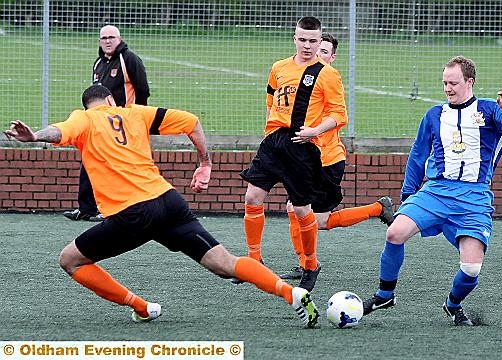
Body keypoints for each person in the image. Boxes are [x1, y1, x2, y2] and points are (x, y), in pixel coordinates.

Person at [4, 84, 320, 328]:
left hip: (133, 214)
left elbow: (59, 131)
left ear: (89, 106)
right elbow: (192, 122)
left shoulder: (83, 118)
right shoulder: (136, 113)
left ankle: (140, 307)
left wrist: (34, 136)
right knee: (224, 263)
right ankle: (291, 293)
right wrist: (205, 163)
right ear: (113, 101)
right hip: (169, 202)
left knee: (70, 260)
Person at [360, 56, 502, 326]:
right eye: (444, 83)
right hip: (436, 191)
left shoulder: (490, 110)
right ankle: (385, 294)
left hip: (474, 197)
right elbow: (418, 156)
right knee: (395, 233)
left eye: (453, 83)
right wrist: (408, 195)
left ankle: (453, 304)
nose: (448, 88)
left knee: (471, 268)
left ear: (469, 82)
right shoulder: (434, 115)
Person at [235, 17, 348, 292]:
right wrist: (268, 133)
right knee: (252, 196)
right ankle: (254, 260)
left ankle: (310, 264)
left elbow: (339, 114)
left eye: (313, 41)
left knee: (300, 210)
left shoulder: (327, 74)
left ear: (320, 41)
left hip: (303, 145)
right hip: (274, 142)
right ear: (294, 39)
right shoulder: (279, 68)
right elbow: (271, 102)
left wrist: (314, 131)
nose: (308, 46)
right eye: (303, 40)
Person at [280, 33, 394, 281]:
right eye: (315, 49)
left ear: (332, 57)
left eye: (324, 51)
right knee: (294, 209)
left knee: (318, 220)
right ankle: (305, 264)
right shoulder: (303, 81)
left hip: (327, 160)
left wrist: (313, 132)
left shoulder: (330, 81)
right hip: (305, 161)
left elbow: (340, 116)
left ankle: (377, 208)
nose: (317, 54)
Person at [64, 25, 150, 222]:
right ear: (99, 41)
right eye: (104, 38)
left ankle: (114, 209)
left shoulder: (129, 59)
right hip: (98, 122)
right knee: (89, 160)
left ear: (119, 39)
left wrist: (137, 118)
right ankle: (87, 208)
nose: (108, 41)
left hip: (121, 123)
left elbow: (143, 89)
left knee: (116, 166)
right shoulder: (98, 63)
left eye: (112, 37)